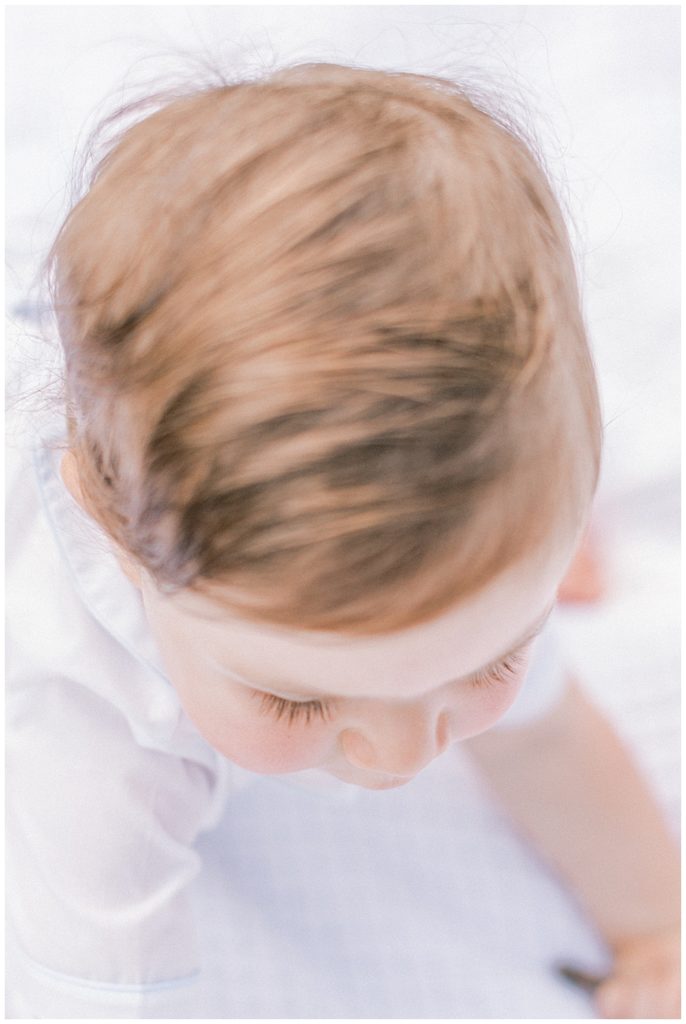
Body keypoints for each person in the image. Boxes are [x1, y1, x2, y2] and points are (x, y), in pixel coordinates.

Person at [6, 62, 679, 1018]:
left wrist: (658, 929)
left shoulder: (449, 573)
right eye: (293, 697)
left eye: (492, 660)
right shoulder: (91, 741)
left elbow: (554, 743)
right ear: (120, 543)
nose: (402, 752)